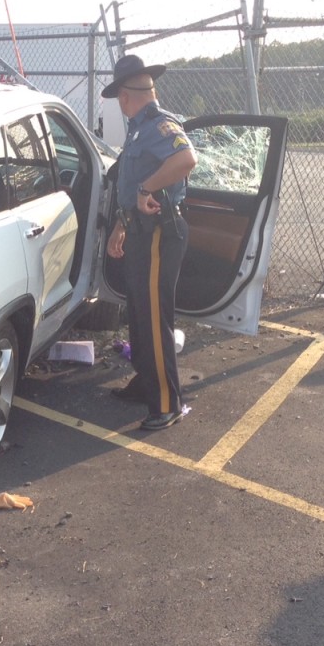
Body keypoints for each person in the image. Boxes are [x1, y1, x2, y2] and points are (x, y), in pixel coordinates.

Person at [102, 55, 197, 430]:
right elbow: (130, 187)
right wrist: (120, 227)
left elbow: (186, 159)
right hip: (141, 231)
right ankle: (146, 382)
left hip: (160, 232)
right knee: (140, 312)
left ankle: (166, 403)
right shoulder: (139, 129)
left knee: (155, 317)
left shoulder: (160, 125)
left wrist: (146, 188)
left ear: (125, 97)